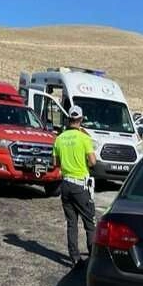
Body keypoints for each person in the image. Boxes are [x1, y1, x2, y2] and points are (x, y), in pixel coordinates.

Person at [53, 106, 97, 267]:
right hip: (80, 186)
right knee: (89, 223)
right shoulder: (84, 138)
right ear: (81, 119)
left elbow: (55, 163)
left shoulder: (59, 138)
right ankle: (93, 256)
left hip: (65, 184)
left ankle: (75, 258)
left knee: (72, 223)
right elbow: (93, 161)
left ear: (68, 119)